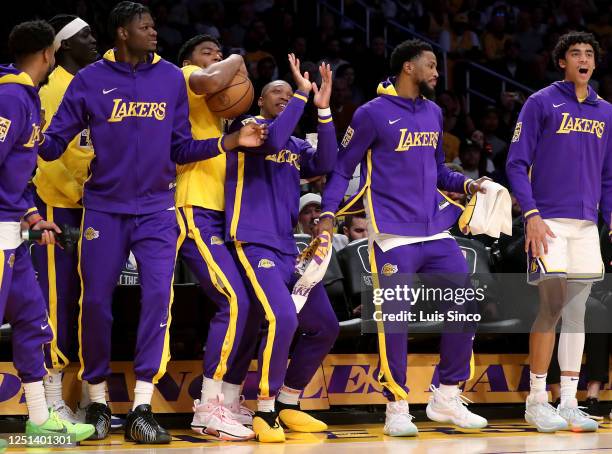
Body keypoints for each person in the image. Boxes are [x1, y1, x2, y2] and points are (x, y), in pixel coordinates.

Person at [38, 1, 266, 444]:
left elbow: (180, 148)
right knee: (96, 304)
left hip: (158, 211)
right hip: (103, 207)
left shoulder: (168, 78)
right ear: (122, 32)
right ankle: (97, 398)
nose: (154, 32)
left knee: (158, 301)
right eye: (145, 26)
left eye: (154, 25)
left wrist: (229, 140)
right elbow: (52, 145)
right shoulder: (89, 80)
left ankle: (143, 404)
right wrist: (29, 134)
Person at [315, 39, 489, 437]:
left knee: (465, 302)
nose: (436, 72)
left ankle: (445, 394)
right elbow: (342, 170)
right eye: (430, 65)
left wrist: (468, 183)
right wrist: (327, 212)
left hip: (435, 229)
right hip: (392, 234)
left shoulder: (434, 112)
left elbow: (440, 170)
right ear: (408, 68)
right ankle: (396, 404)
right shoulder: (371, 114)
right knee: (394, 320)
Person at [223, 54, 339, 442]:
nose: (285, 97)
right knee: (283, 319)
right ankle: (265, 408)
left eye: (290, 93)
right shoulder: (248, 128)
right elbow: (271, 138)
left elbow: (327, 161)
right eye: (278, 92)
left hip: (288, 247)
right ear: (259, 99)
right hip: (253, 242)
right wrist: (302, 98)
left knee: (324, 325)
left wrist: (322, 110)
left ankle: (289, 403)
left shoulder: (294, 144)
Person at [506, 31, 610, 433]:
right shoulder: (540, 102)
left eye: (589, 54)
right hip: (547, 221)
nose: (583, 58)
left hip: (587, 225)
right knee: (550, 307)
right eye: (575, 53)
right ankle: (536, 400)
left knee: (579, 312)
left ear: (595, 64)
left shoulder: (606, 112)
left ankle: (568, 401)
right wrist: (530, 214)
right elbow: (516, 163)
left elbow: (608, 175)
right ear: (562, 62)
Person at [0, 19, 95, 443]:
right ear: (49, 54)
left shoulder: (28, 96)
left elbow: (15, 176)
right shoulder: (9, 96)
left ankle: (39, 419)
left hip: (15, 232)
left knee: (34, 322)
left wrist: (31, 214)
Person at [174, 34, 255, 440]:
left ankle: (224, 398)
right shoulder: (187, 75)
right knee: (234, 300)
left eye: (220, 53)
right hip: (192, 206)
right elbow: (207, 80)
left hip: (220, 213)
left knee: (246, 304)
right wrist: (237, 56)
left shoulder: (218, 110)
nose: (217, 57)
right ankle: (208, 406)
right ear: (190, 59)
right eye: (208, 52)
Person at [30, 14, 98, 423]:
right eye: (85, 36)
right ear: (63, 47)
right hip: (58, 206)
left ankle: (92, 393)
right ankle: (53, 397)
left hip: (94, 207)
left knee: (89, 300)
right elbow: (47, 155)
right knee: (56, 303)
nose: (94, 41)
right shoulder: (52, 88)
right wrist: (84, 190)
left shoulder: (93, 83)